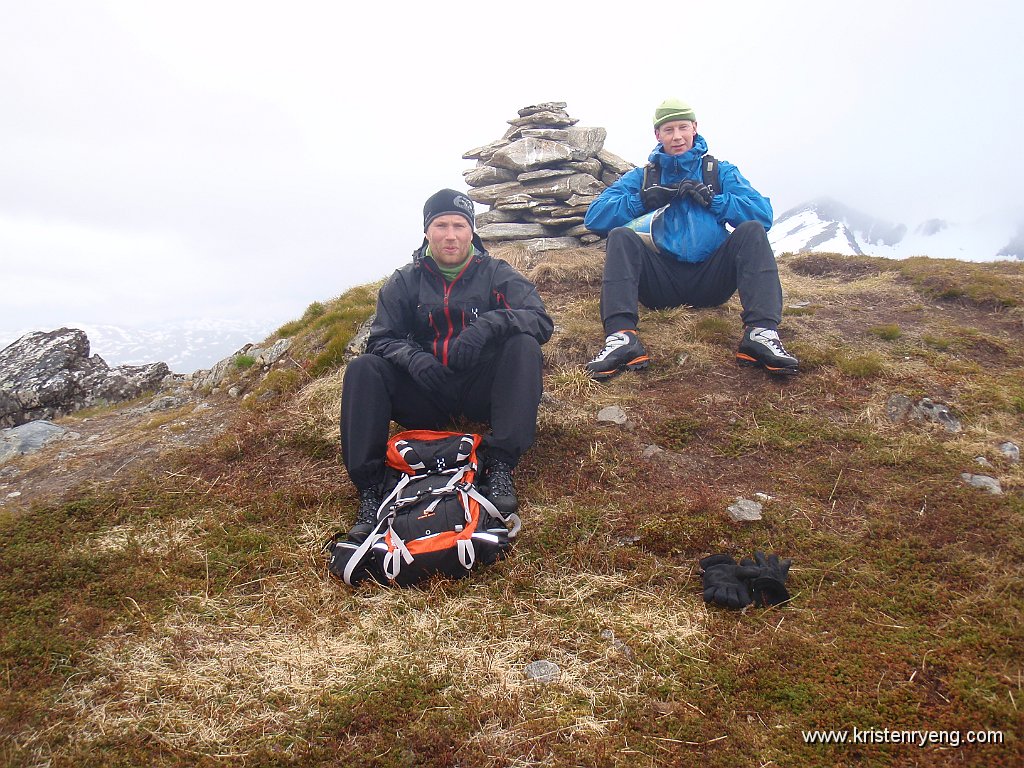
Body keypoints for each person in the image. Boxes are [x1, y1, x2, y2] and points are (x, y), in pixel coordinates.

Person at [339, 188, 553, 542]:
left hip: (480, 390)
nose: (450, 235)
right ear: (427, 231)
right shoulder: (404, 281)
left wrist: (487, 326)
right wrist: (413, 358)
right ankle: (371, 488)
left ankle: (499, 464)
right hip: (425, 393)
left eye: (459, 225)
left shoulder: (497, 274)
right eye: (441, 225)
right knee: (363, 368)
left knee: (523, 345)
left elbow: (540, 321)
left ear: (472, 232)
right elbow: (380, 339)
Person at [582, 98, 798, 379]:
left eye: (683, 127)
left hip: (711, 280)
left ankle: (761, 335)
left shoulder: (718, 172)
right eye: (668, 129)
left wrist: (716, 201)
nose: (677, 136)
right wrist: (641, 201)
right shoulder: (643, 177)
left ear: (694, 128)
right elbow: (595, 217)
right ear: (657, 135)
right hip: (660, 284)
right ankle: (621, 339)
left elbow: (763, 215)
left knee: (752, 232)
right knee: (620, 236)